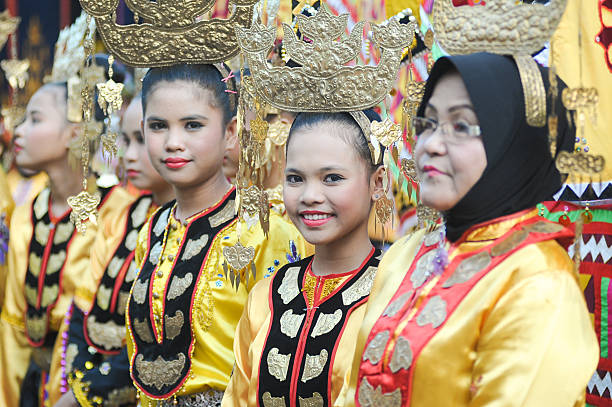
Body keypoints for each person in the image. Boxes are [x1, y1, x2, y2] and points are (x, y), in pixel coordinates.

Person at [339, 53, 599, 407]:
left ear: (515, 145)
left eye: (461, 126)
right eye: (427, 124)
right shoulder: (408, 253)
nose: (430, 144)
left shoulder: (538, 283)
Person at [223, 5, 415, 406]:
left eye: (332, 178)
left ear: (377, 182)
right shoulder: (266, 296)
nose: (310, 195)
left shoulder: (396, 296)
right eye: (296, 178)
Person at [124, 63, 306, 406]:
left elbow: (284, 361)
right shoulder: (152, 229)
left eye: (192, 125)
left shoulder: (267, 232)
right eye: (158, 126)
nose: (173, 142)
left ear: (231, 132)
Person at [0, 64, 133, 407]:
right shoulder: (29, 207)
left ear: (75, 133)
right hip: (30, 383)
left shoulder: (117, 211)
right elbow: (13, 324)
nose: (19, 131)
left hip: (89, 383)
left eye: (36, 119)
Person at [51, 95, 174, 407]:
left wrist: (90, 393)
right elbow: (84, 300)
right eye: (126, 139)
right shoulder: (120, 212)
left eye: (142, 140)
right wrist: (79, 383)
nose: (128, 154)